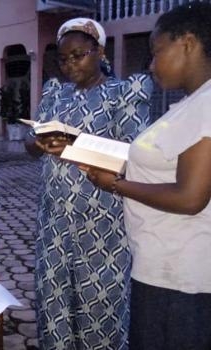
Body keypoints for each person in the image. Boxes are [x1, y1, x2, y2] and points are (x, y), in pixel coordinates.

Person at [84, 3, 211, 349]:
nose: (152, 65)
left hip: (180, 275)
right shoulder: (191, 103)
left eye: (157, 52)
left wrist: (117, 185)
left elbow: (190, 197)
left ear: (188, 43)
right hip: (159, 263)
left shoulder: (206, 105)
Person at [25, 18, 153, 349]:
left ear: (99, 51)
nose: (69, 65)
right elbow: (30, 145)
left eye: (78, 55)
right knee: (54, 304)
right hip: (54, 220)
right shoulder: (55, 93)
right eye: (63, 59)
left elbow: (135, 156)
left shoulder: (122, 93)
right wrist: (38, 142)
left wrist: (73, 147)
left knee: (101, 307)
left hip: (102, 221)